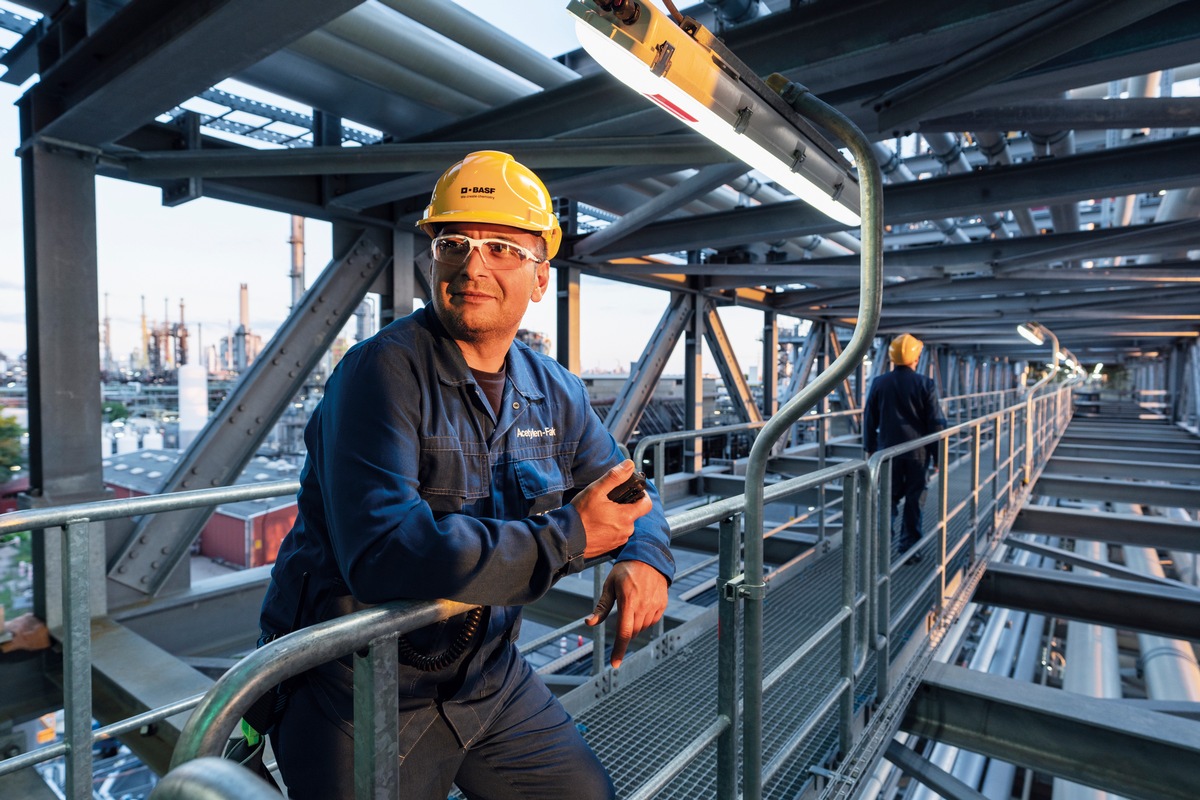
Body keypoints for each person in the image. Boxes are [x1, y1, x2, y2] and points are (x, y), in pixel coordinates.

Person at [258, 151, 675, 800]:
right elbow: (383, 554)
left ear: (541, 278)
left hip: (487, 674)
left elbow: (626, 495)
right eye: (455, 243)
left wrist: (647, 556)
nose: (473, 265)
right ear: (433, 260)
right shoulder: (382, 374)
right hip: (358, 694)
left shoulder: (553, 389)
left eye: (503, 248)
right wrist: (570, 538)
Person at [862, 333, 945, 557]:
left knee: (887, 499)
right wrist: (938, 457)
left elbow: (870, 418)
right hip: (918, 454)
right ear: (916, 358)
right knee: (914, 501)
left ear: (892, 358)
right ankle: (909, 549)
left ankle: (880, 547)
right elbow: (935, 423)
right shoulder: (925, 384)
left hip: (887, 452)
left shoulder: (880, 383)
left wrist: (870, 448)